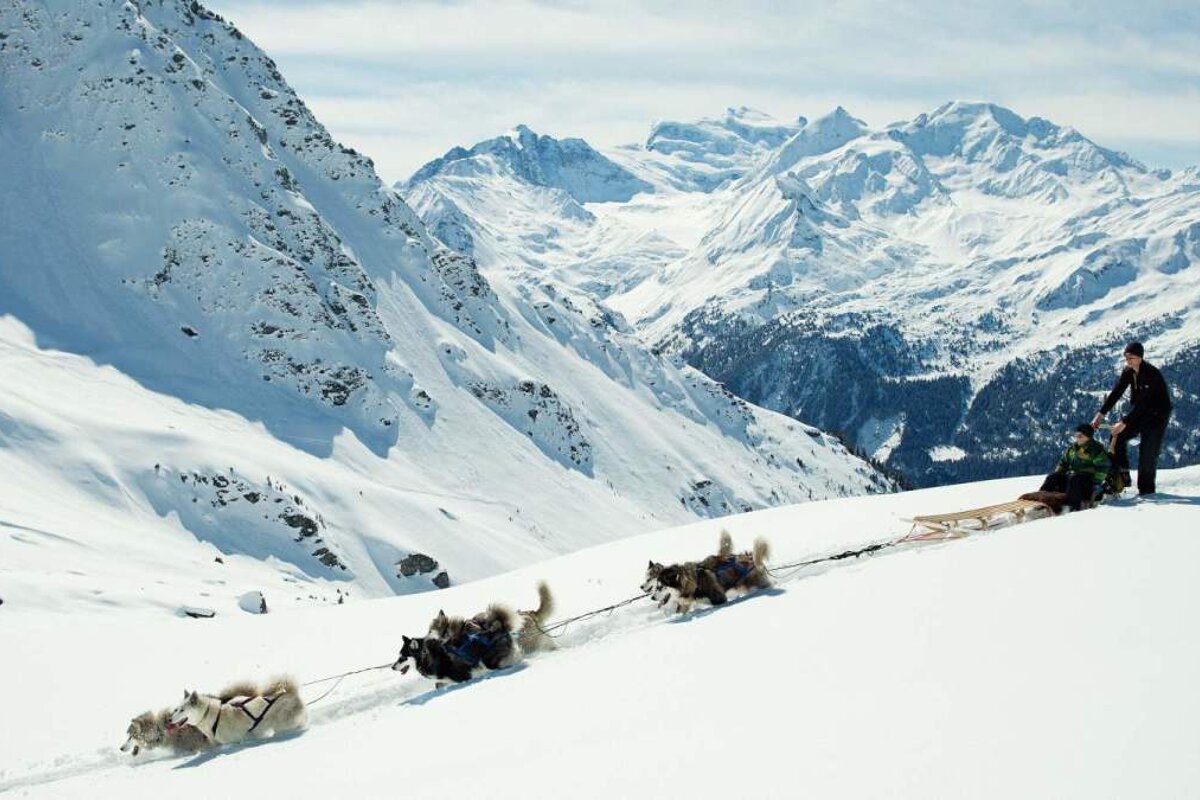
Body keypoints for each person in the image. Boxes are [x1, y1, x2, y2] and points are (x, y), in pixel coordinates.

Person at [1090, 341, 1172, 496]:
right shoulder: (1129, 372)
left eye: (1131, 357)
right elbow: (1117, 392)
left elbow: (1143, 403)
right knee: (1118, 435)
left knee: (1147, 455)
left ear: (1140, 357)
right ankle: (1122, 477)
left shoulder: (1151, 374)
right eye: (1126, 356)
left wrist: (1124, 422)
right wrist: (1100, 414)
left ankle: (1147, 492)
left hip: (1157, 417)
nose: (1128, 360)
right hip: (1141, 413)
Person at [1040, 424, 1112, 511]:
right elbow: (1064, 462)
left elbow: (1103, 466)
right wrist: (1058, 475)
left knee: (1074, 479)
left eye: (1080, 436)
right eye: (1076, 435)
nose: (1077, 438)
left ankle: (1071, 506)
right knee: (1052, 477)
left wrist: (1096, 483)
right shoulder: (1073, 449)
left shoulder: (1095, 450)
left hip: (1088, 482)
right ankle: (1041, 500)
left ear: (1088, 437)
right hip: (1074, 480)